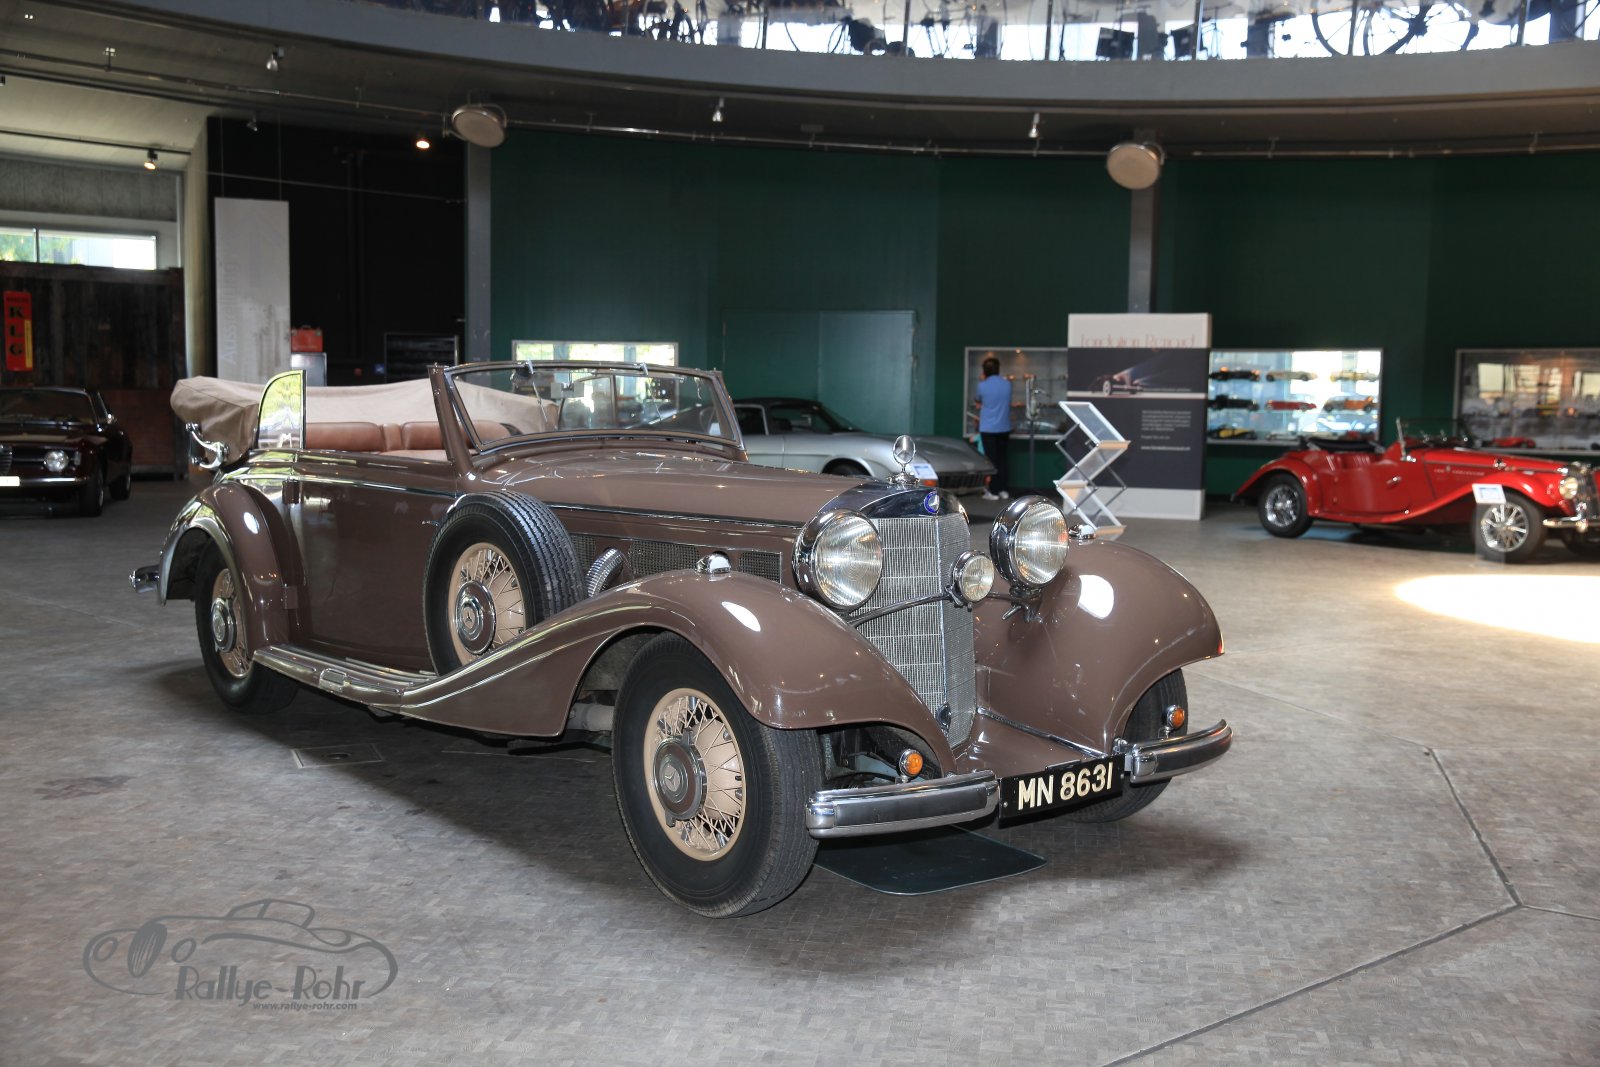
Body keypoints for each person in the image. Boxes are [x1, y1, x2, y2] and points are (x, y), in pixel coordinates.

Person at [975, 356, 1011, 501]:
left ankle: (993, 491)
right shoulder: (1007, 384)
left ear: (984, 371)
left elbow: (978, 399)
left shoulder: (982, 385)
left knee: (991, 460)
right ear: (998, 369)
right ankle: (1003, 489)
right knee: (1002, 459)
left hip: (988, 428)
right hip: (1004, 427)